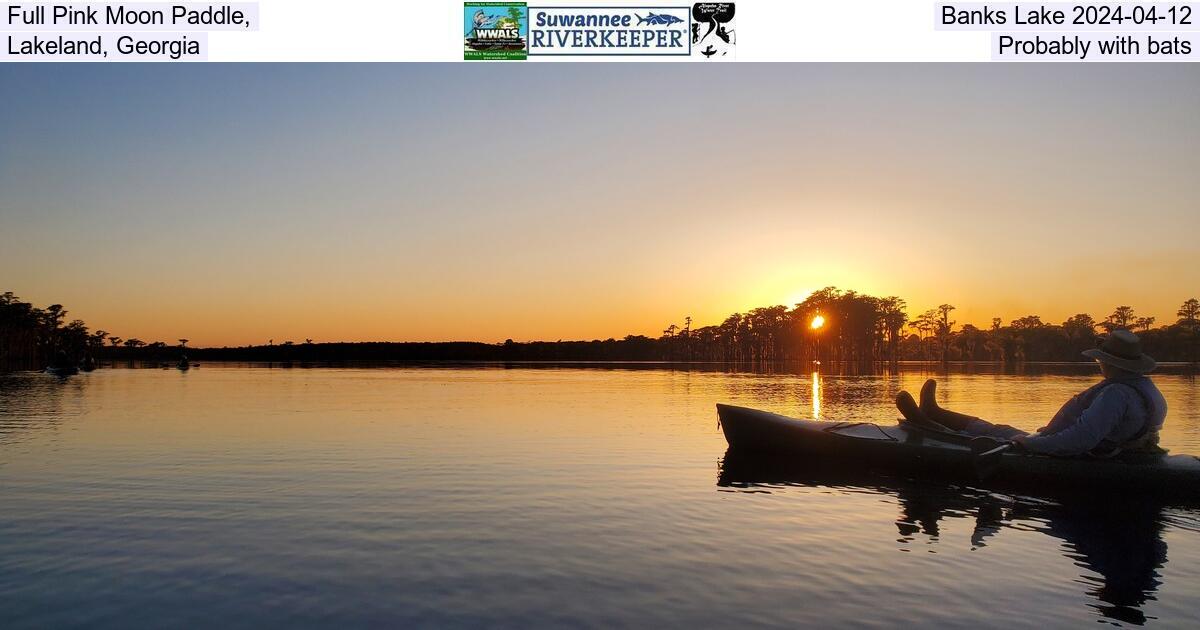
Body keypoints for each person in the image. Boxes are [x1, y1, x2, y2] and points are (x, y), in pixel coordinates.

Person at [895, 329, 1167, 456]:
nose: (1099, 364)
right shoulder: (1145, 389)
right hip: (1065, 443)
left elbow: (1080, 440)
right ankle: (935, 412)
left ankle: (927, 423)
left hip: (1071, 454)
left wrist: (1032, 444)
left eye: (1100, 360)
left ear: (1110, 362)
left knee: (987, 436)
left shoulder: (1115, 395)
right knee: (998, 428)